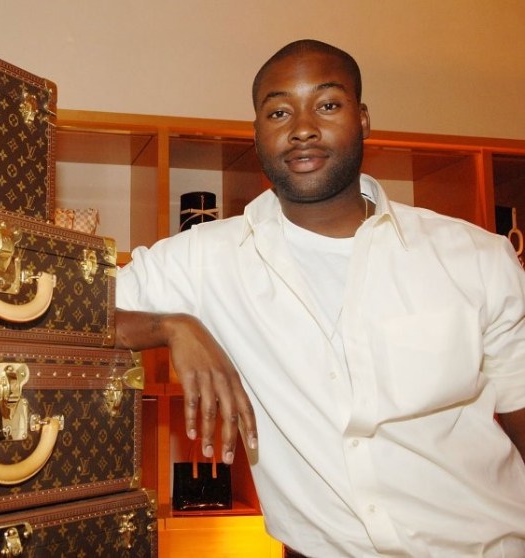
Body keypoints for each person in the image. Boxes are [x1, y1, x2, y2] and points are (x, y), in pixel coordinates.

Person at [115, 39, 525, 557]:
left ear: (364, 119)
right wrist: (169, 326)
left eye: (327, 105)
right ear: (258, 133)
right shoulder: (208, 258)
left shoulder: (477, 257)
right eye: (279, 111)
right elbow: (63, 315)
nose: (302, 127)